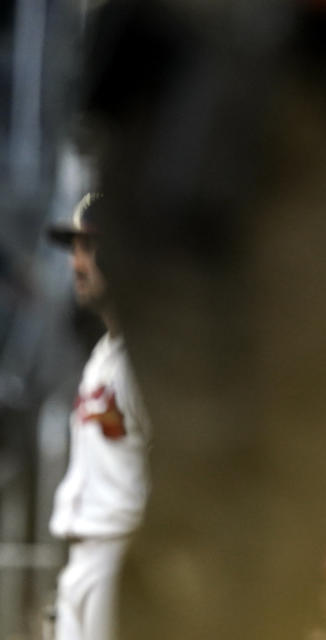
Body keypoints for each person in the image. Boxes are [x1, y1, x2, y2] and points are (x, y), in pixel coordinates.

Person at [47, 193, 151, 640]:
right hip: (87, 560)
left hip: (122, 557)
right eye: (74, 248)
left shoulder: (151, 358)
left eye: (88, 247)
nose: (76, 263)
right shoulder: (107, 353)